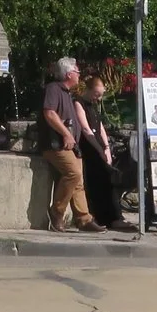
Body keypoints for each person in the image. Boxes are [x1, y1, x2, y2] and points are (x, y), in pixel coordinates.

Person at [38, 57, 98, 232]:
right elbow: (49, 113)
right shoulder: (53, 89)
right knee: (73, 173)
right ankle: (57, 212)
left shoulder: (66, 93)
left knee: (78, 180)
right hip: (55, 144)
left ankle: (83, 219)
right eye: (77, 72)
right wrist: (66, 133)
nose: (79, 75)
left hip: (69, 145)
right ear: (69, 73)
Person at [78, 75, 128, 231]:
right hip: (89, 149)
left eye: (100, 95)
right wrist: (99, 150)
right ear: (88, 90)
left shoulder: (94, 106)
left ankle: (114, 217)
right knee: (95, 184)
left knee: (108, 181)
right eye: (96, 94)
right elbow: (86, 129)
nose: (98, 98)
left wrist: (106, 147)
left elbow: (100, 127)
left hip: (99, 148)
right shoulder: (79, 103)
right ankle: (104, 217)